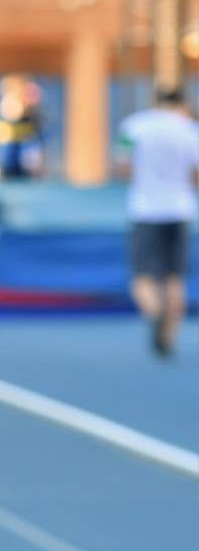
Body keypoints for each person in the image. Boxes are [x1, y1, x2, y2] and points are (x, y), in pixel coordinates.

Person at [116, 88, 199, 357]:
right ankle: (169, 335)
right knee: (174, 277)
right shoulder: (189, 130)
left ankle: (154, 314)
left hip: (146, 209)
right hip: (179, 209)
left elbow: (123, 166)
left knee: (142, 276)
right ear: (181, 103)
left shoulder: (135, 126)